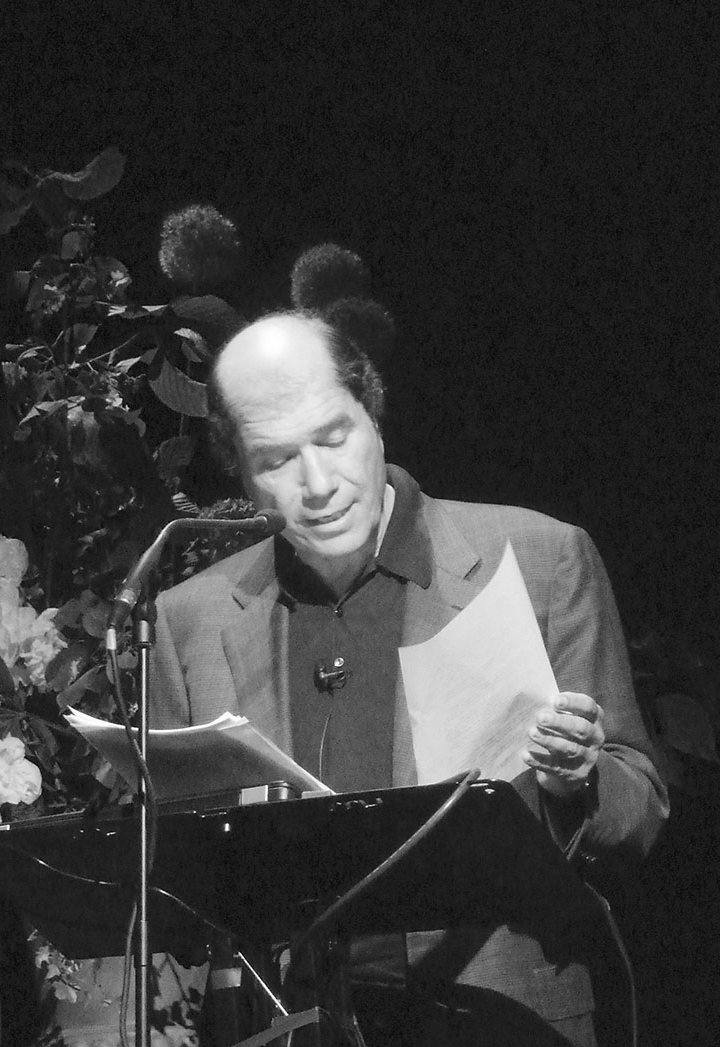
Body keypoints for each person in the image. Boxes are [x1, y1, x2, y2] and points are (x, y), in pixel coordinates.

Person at [150, 312, 668, 1046]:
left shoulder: (538, 559)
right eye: (275, 459)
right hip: (291, 1025)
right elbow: (183, 879)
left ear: (374, 410)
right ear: (236, 465)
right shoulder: (188, 620)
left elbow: (640, 805)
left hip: (501, 1021)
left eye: (333, 438)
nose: (318, 484)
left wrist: (577, 775)